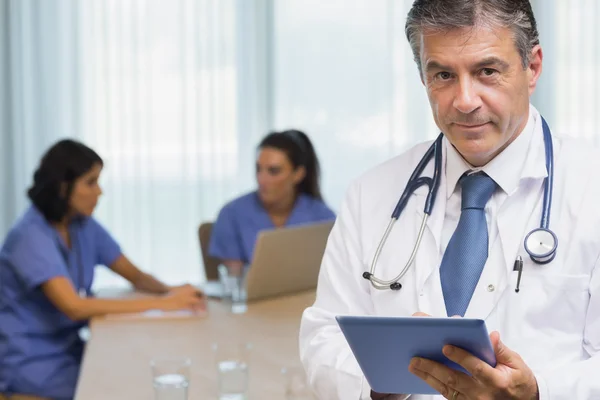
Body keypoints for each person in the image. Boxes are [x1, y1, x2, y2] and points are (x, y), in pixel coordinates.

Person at [300, 1, 600, 399]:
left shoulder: (590, 186)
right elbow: (324, 335)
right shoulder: (370, 194)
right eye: (442, 74)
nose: (464, 101)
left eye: (487, 71)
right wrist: (375, 386)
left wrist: (539, 393)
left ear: (533, 67)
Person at [0, 140, 205, 400]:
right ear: (63, 186)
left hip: (71, 350)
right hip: (33, 362)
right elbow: (73, 306)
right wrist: (164, 304)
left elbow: (136, 276)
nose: (100, 192)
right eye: (91, 182)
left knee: (139, 372)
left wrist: (172, 291)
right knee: (128, 387)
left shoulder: (82, 225)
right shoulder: (29, 236)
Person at [209, 130, 336, 275]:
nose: (261, 179)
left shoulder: (323, 217)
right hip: (250, 298)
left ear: (298, 174)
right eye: (258, 169)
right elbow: (234, 284)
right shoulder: (231, 214)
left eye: (273, 171)